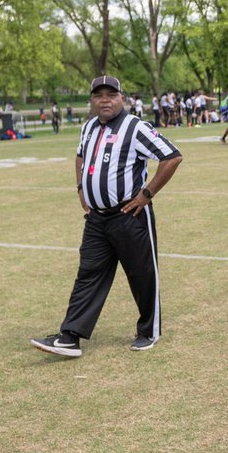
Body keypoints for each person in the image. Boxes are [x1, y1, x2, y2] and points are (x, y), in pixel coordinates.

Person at [30, 76, 182, 358]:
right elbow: (79, 156)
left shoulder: (135, 127)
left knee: (142, 274)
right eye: (98, 95)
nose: (105, 100)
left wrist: (146, 194)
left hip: (129, 214)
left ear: (121, 97)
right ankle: (70, 336)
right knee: (87, 274)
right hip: (97, 219)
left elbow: (172, 156)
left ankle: (149, 331)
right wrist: (80, 189)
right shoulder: (88, 127)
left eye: (111, 94)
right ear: (92, 100)